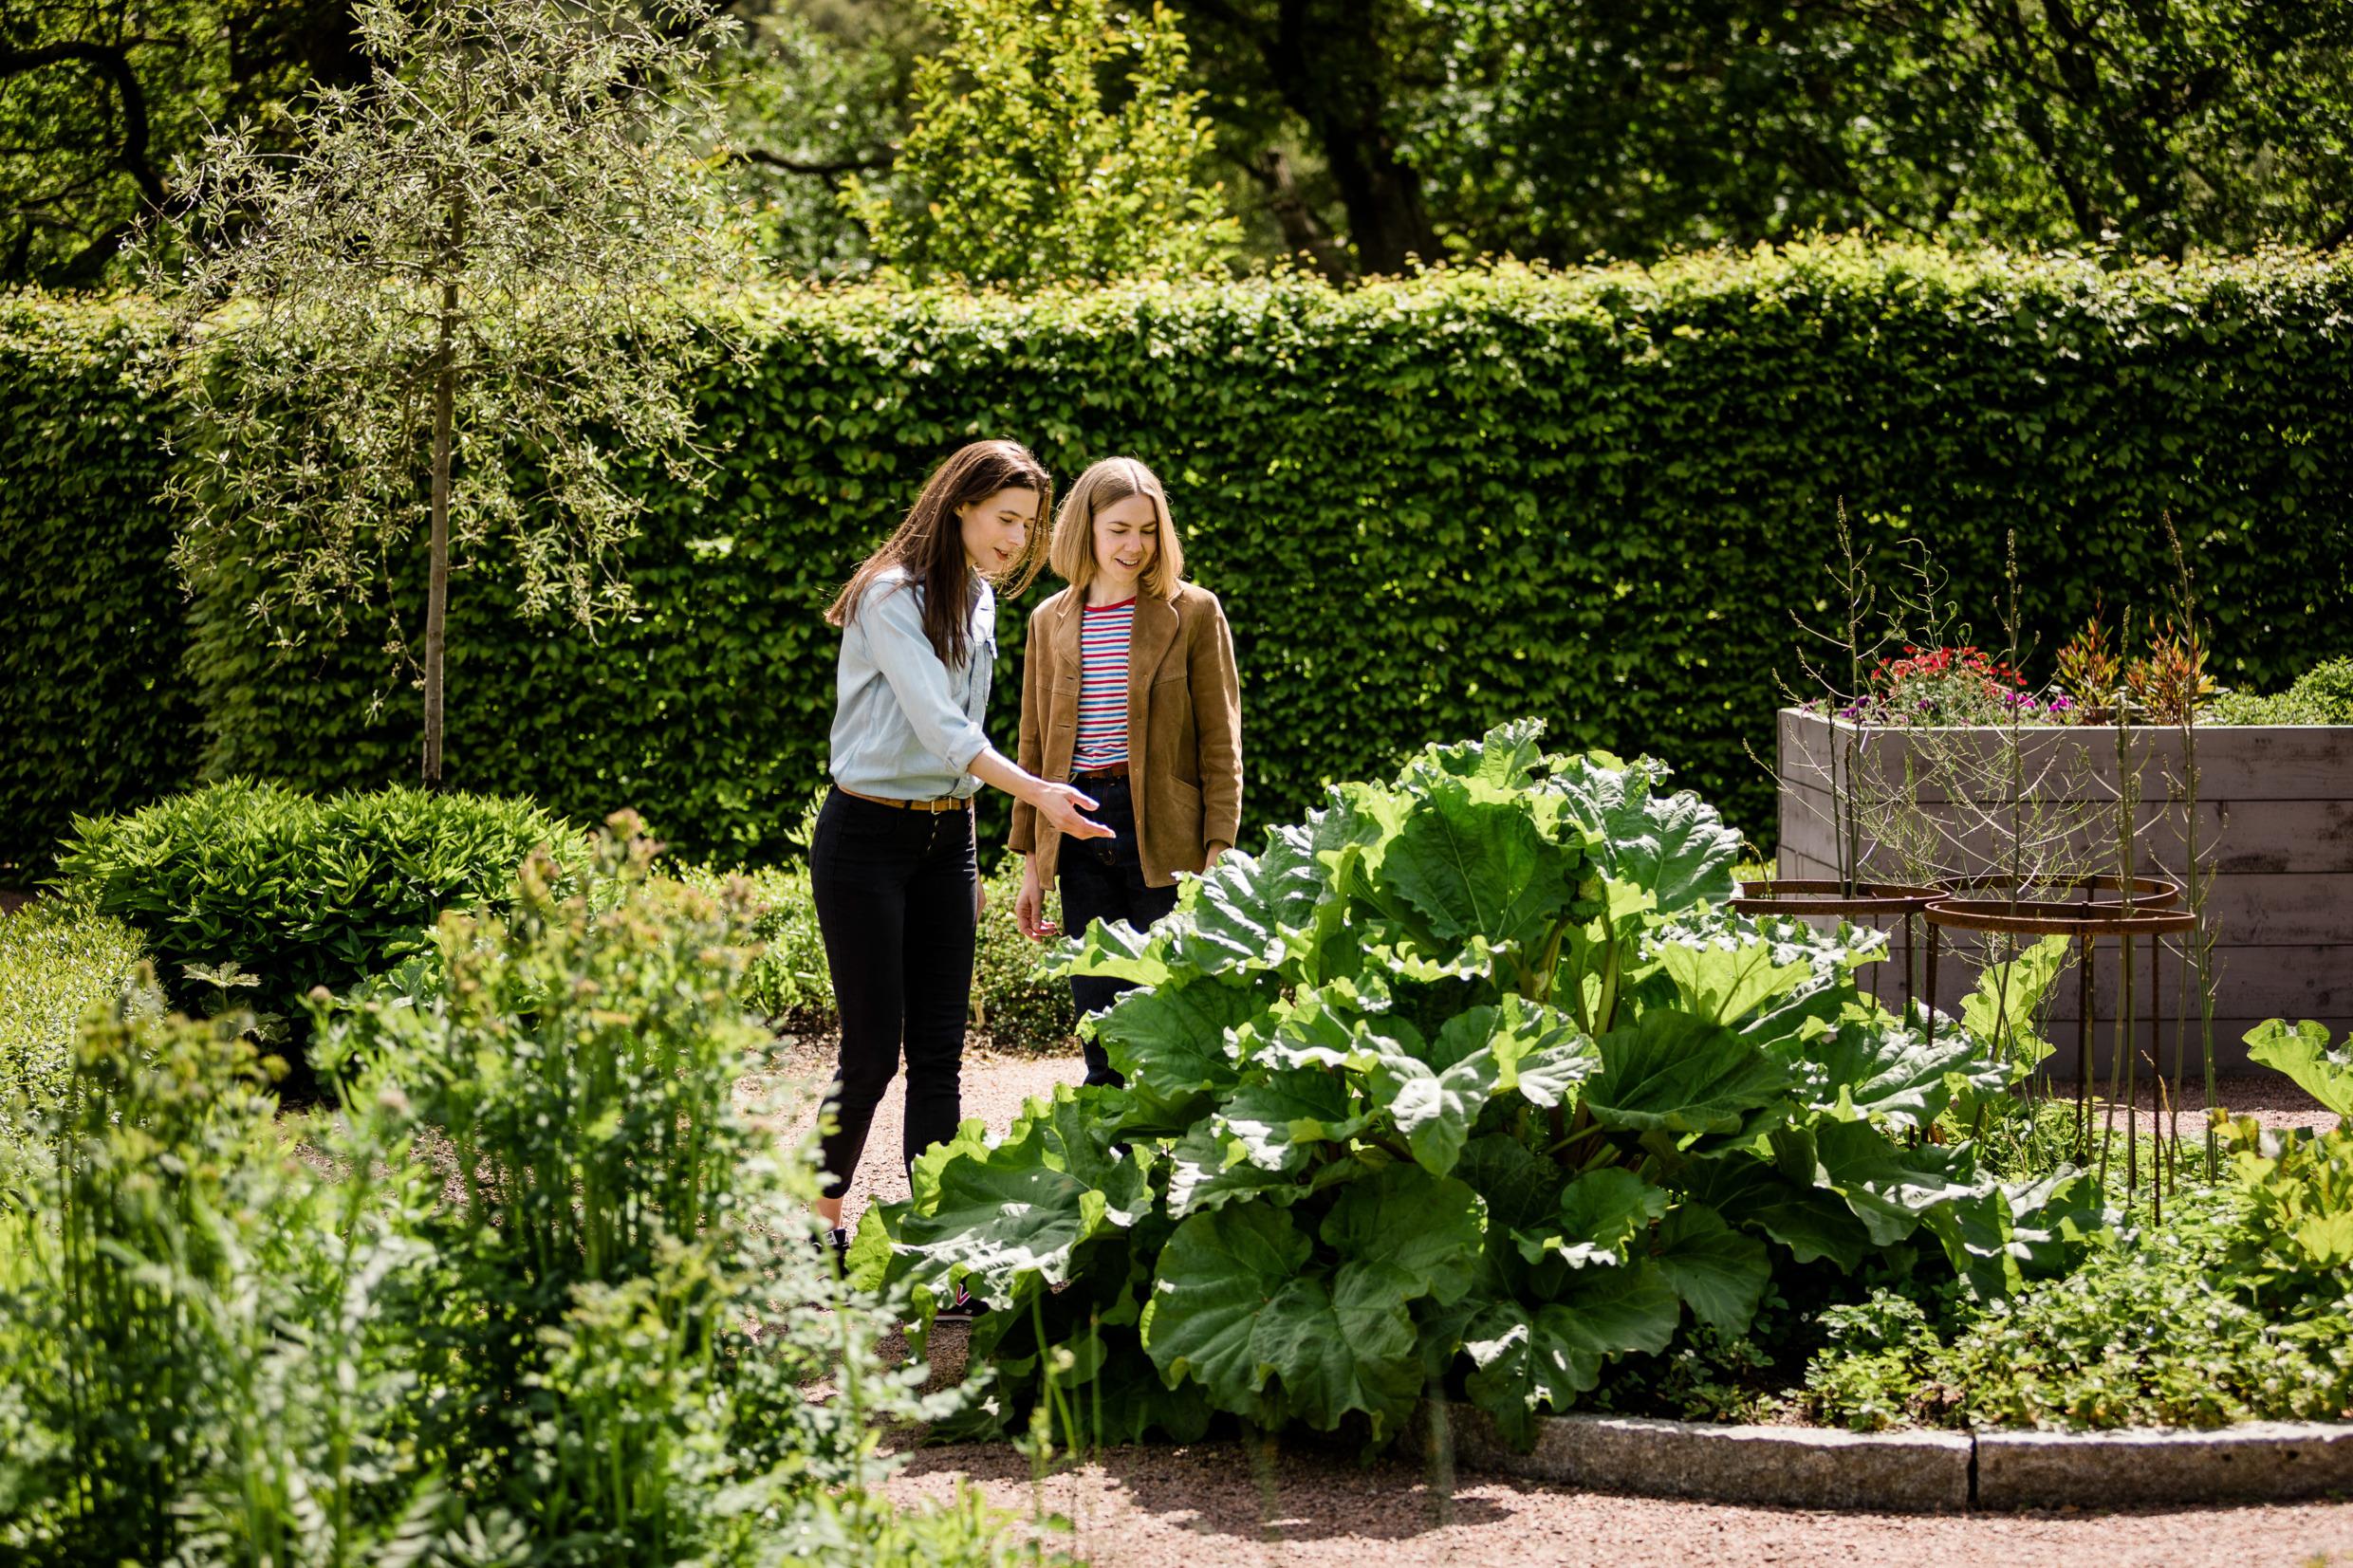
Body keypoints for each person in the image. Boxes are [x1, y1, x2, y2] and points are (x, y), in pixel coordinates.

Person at [811, 439, 1110, 1266]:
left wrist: (972, 851)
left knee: (940, 1049)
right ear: (960, 507)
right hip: (864, 839)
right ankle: (821, 1213)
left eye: (1028, 523)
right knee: (871, 1048)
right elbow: (947, 730)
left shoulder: (978, 595)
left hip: (948, 842)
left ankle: (941, 1242)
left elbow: (962, 739)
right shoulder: (888, 595)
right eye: (1006, 519)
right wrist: (1039, 792)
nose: (1018, 540)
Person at [1010, 456, 1243, 1085]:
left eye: (1146, 529)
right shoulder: (1048, 621)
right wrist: (1033, 865)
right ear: (1085, 529)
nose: (1134, 545)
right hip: (1080, 828)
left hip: (1167, 835)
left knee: (1179, 1015)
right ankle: (1110, 1169)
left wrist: (1219, 849)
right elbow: (1032, 750)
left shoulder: (1194, 612)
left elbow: (1221, 745)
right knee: (1101, 1022)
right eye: (1119, 529)